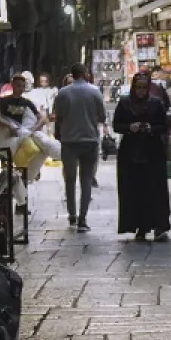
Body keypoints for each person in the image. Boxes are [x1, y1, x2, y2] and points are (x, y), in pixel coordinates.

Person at [114, 73, 171, 241]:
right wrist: (129, 127)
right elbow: (117, 125)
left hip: (152, 152)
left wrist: (151, 128)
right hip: (130, 153)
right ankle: (140, 226)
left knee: (155, 190)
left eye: (144, 87)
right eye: (138, 87)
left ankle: (159, 226)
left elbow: (164, 125)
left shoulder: (156, 104)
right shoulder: (125, 103)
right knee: (135, 191)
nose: (141, 91)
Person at [51, 61, 106, 230]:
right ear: (86, 74)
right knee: (86, 179)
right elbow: (102, 117)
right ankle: (83, 218)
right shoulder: (94, 91)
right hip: (89, 140)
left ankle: (72, 215)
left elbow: (57, 116)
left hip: (69, 141)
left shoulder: (63, 93)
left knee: (69, 179)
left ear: (72, 75)